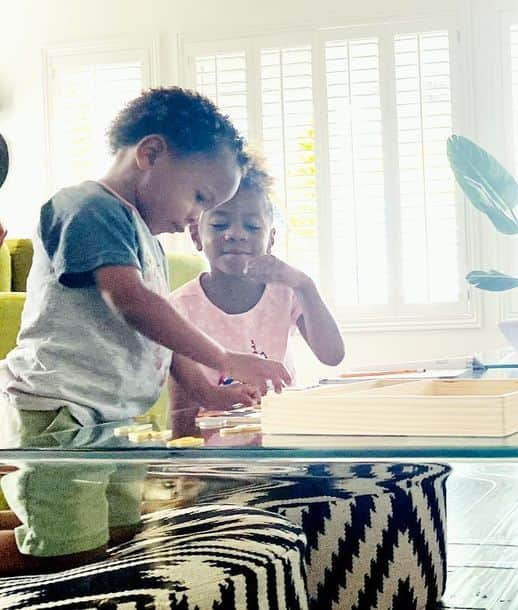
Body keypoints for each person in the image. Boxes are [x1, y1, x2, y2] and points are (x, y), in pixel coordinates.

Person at [0, 87, 290, 571]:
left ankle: (38, 522)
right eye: (199, 197)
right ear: (151, 153)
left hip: (114, 422)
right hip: (62, 414)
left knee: (117, 533)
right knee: (68, 550)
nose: (196, 217)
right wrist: (223, 357)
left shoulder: (145, 240)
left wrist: (201, 388)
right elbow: (132, 303)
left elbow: (154, 330)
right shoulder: (89, 207)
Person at [169, 156, 345, 431]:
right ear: (195, 235)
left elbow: (332, 355)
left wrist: (305, 285)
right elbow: (180, 407)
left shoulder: (286, 294)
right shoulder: (178, 308)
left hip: (280, 439)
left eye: (252, 226)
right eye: (219, 225)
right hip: (212, 451)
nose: (236, 234)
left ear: (271, 239)